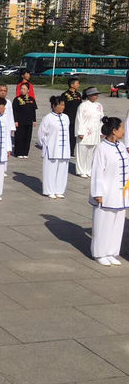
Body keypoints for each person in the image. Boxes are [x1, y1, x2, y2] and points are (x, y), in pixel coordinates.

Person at [89, 117, 128, 266]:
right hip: (106, 193)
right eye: (122, 128)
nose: (124, 131)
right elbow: (97, 171)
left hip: (121, 193)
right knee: (103, 223)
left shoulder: (122, 146)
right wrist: (98, 193)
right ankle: (100, 253)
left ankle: (112, 252)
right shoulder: (101, 148)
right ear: (114, 130)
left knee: (117, 224)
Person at [38, 95, 71, 199]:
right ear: (54, 106)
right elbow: (41, 134)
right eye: (60, 105)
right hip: (51, 149)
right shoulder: (48, 118)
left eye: (63, 105)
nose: (63, 107)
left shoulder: (66, 117)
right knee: (50, 171)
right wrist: (46, 146)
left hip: (64, 149)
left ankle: (59, 190)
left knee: (62, 170)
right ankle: (49, 190)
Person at [75, 87, 104, 178]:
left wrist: (101, 131)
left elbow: (101, 119)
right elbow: (79, 119)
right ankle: (81, 170)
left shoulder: (99, 105)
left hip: (95, 131)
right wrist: (79, 132)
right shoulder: (83, 105)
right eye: (94, 95)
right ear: (89, 95)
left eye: (97, 95)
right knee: (82, 152)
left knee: (92, 152)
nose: (96, 96)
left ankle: (89, 170)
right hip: (84, 131)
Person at [12, 83, 37, 158]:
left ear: (28, 90)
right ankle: (18, 152)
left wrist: (34, 120)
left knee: (27, 137)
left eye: (24, 89)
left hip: (29, 121)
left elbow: (33, 110)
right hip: (20, 121)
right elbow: (15, 111)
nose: (22, 90)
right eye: (21, 89)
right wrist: (15, 121)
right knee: (19, 136)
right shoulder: (17, 99)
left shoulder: (31, 99)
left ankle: (25, 152)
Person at [62, 77, 82, 156]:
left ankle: (71, 151)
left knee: (74, 136)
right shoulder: (65, 95)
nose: (78, 85)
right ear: (72, 85)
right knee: (67, 135)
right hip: (68, 118)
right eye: (77, 83)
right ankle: (66, 150)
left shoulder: (78, 94)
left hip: (76, 118)